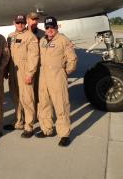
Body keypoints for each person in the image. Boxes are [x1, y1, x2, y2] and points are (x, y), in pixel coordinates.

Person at [36, 16, 77, 147]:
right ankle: (47, 129)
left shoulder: (63, 40)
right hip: (44, 76)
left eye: (52, 27)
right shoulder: (42, 40)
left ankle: (64, 134)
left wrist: (65, 72)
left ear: (56, 27)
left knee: (61, 105)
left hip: (57, 76)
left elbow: (73, 59)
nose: (49, 29)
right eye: (47, 27)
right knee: (44, 104)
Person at [6, 14, 39, 138]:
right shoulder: (10, 37)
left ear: (25, 23)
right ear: (14, 23)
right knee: (16, 98)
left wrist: (30, 73)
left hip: (25, 72)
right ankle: (18, 122)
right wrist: (5, 71)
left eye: (22, 23)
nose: (20, 25)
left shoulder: (30, 37)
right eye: (18, 22)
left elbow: (34, 56)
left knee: (27, 99)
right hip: (13, 72)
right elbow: (8, 55)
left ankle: (29, 126)